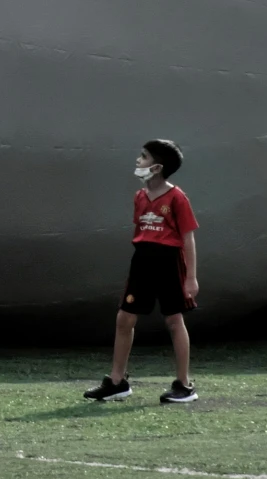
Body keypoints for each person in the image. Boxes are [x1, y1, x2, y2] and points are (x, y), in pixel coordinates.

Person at [84, 139, 201, 405]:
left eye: (144, 157)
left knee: (174, 321)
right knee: (124, 319)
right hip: (143, 261)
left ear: (157, 167)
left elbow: (188, 238)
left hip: (169, 262)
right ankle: (117, 382)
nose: (138, 161)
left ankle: (184, 385)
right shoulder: (139, 197)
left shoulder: (177, 197)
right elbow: (141, 229)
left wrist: (191, 277)